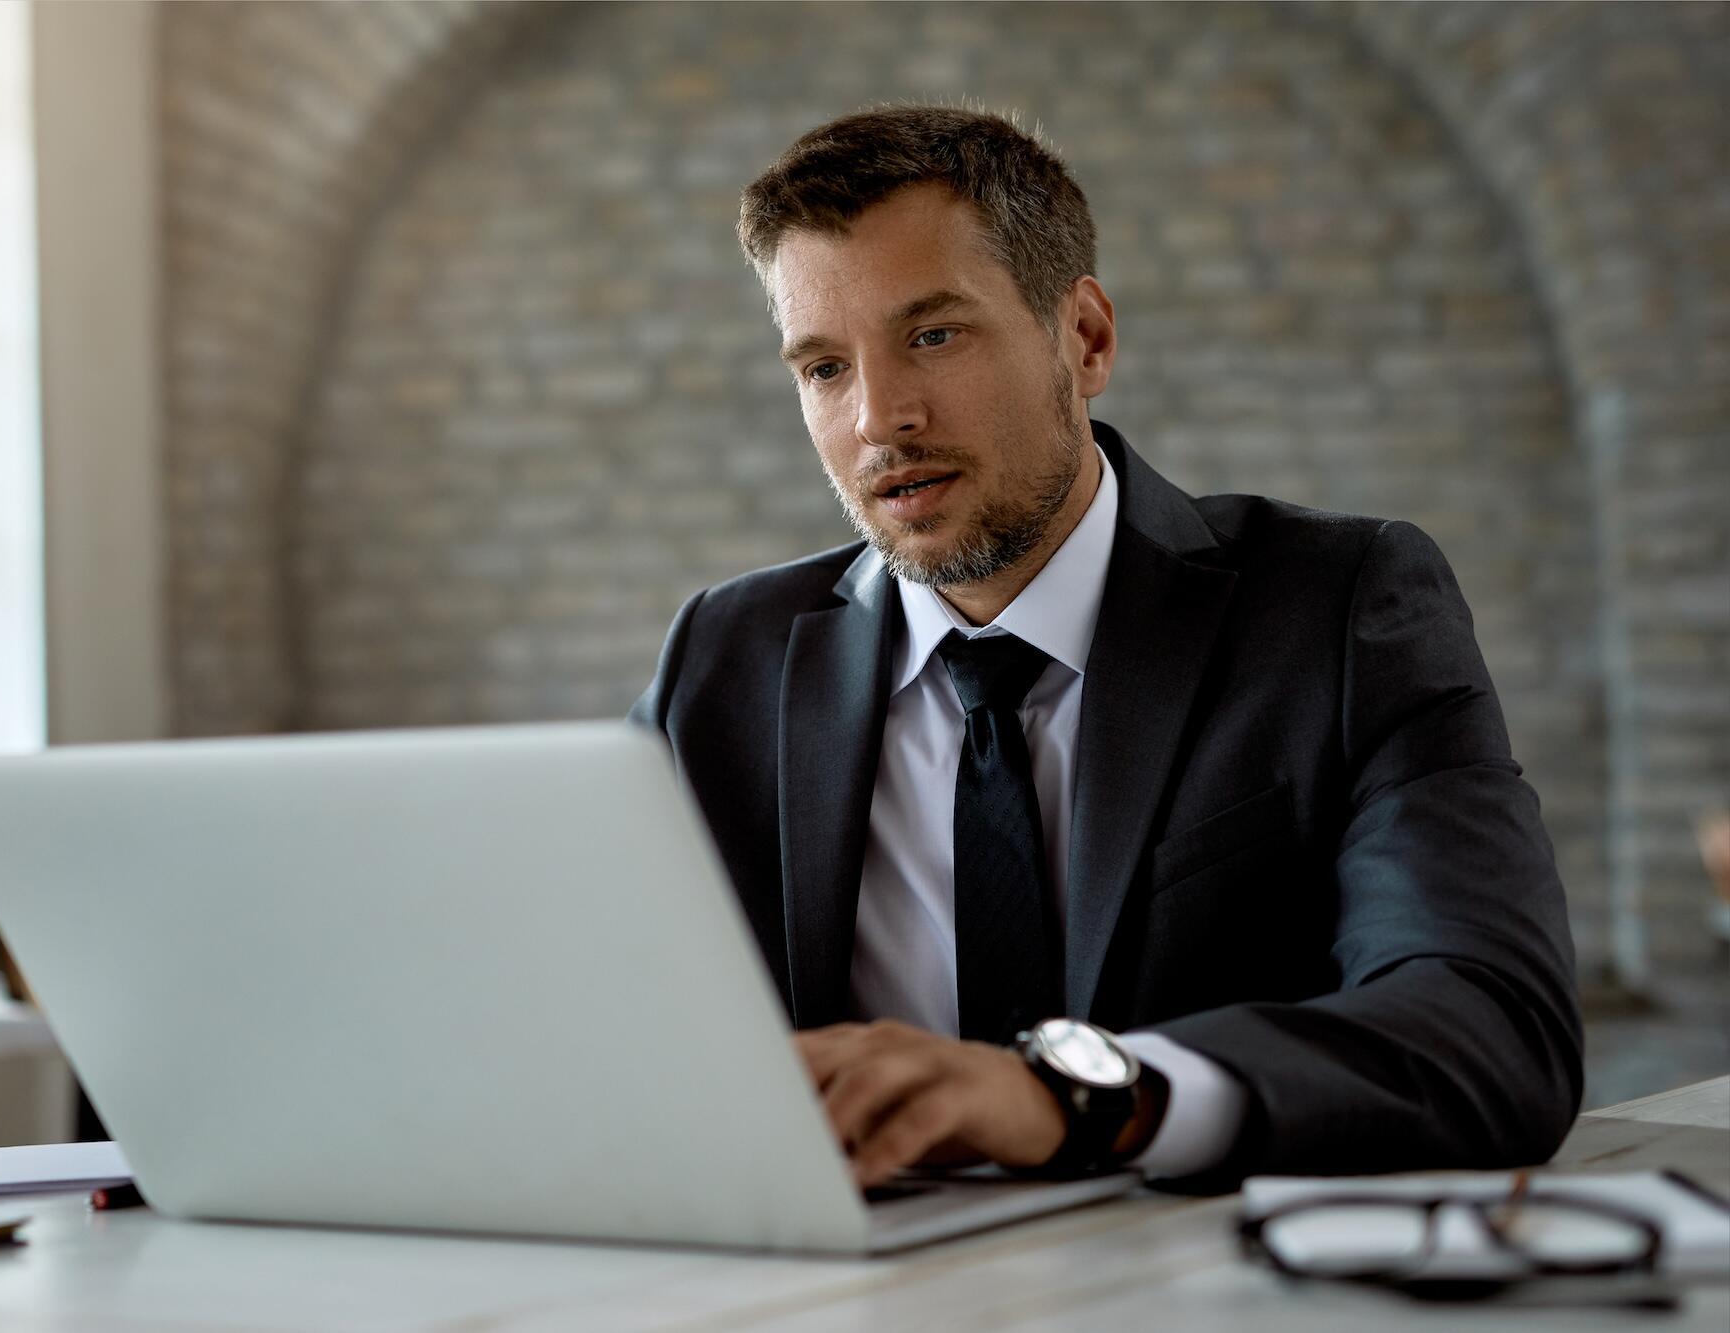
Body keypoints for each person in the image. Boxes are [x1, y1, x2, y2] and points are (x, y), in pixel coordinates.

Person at [630, 106, 1582, 1190]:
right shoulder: (722, 659)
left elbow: (1494, 1029)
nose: (877, 419)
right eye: (821, 368)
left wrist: (1076, 1095)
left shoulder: (1337, 608)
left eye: (931, 334)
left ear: (1081, 338)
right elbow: (573, 1022)